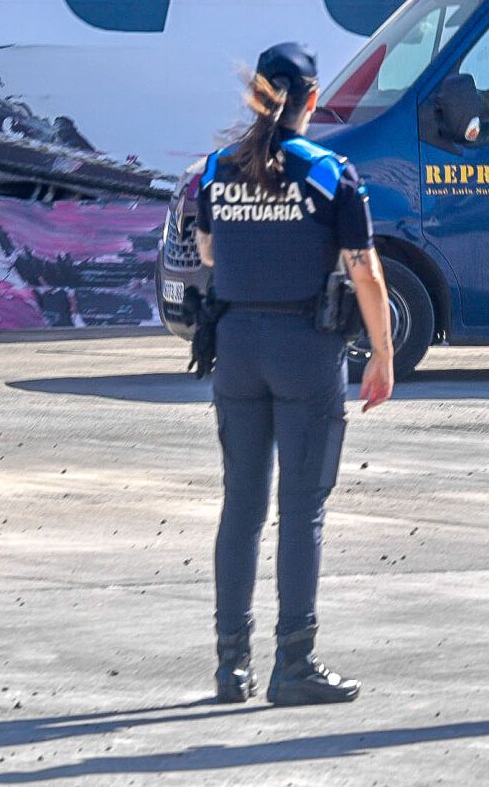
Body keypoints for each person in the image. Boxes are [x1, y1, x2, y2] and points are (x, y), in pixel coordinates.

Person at [194, 42, 396, 705]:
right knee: (301, 509)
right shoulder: (330, 171)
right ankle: (295, 663)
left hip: (235, 348)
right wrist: (384, 352)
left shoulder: (215, 170)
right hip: (304, 349)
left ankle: (231, 666)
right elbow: (364, 269)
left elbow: (209, 248)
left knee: (241, 508)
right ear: (312, 100)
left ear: (256, 95)